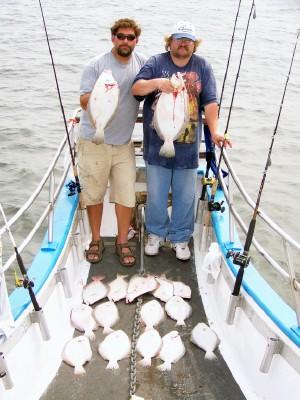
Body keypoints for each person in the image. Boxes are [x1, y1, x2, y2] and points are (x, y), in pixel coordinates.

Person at [132, 21, 231, 261]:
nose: (183, 44)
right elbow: (136, 88)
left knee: (185, 197)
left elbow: (210, 102)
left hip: (188, 150)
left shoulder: (203, 66)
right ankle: (155, 234)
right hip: (157, 145)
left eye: (188, 40)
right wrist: (158, 84)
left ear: (194, 45)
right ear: (170, 42)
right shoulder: (156, 62)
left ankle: (180, 238)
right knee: (156, 194)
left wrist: (216, 131)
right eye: (179, 39)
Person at [78, 18, 146, 266]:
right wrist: (102, 93)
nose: (125, 41)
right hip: (94, 140)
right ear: (113, 38)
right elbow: (84, 101)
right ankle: (96, 240)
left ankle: (121, 241)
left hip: (124, 144)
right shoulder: (95, 66)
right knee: (94, 192)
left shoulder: (143, 64)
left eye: (130, 37)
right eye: (120, 36)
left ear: (136, 40)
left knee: (126, 195)